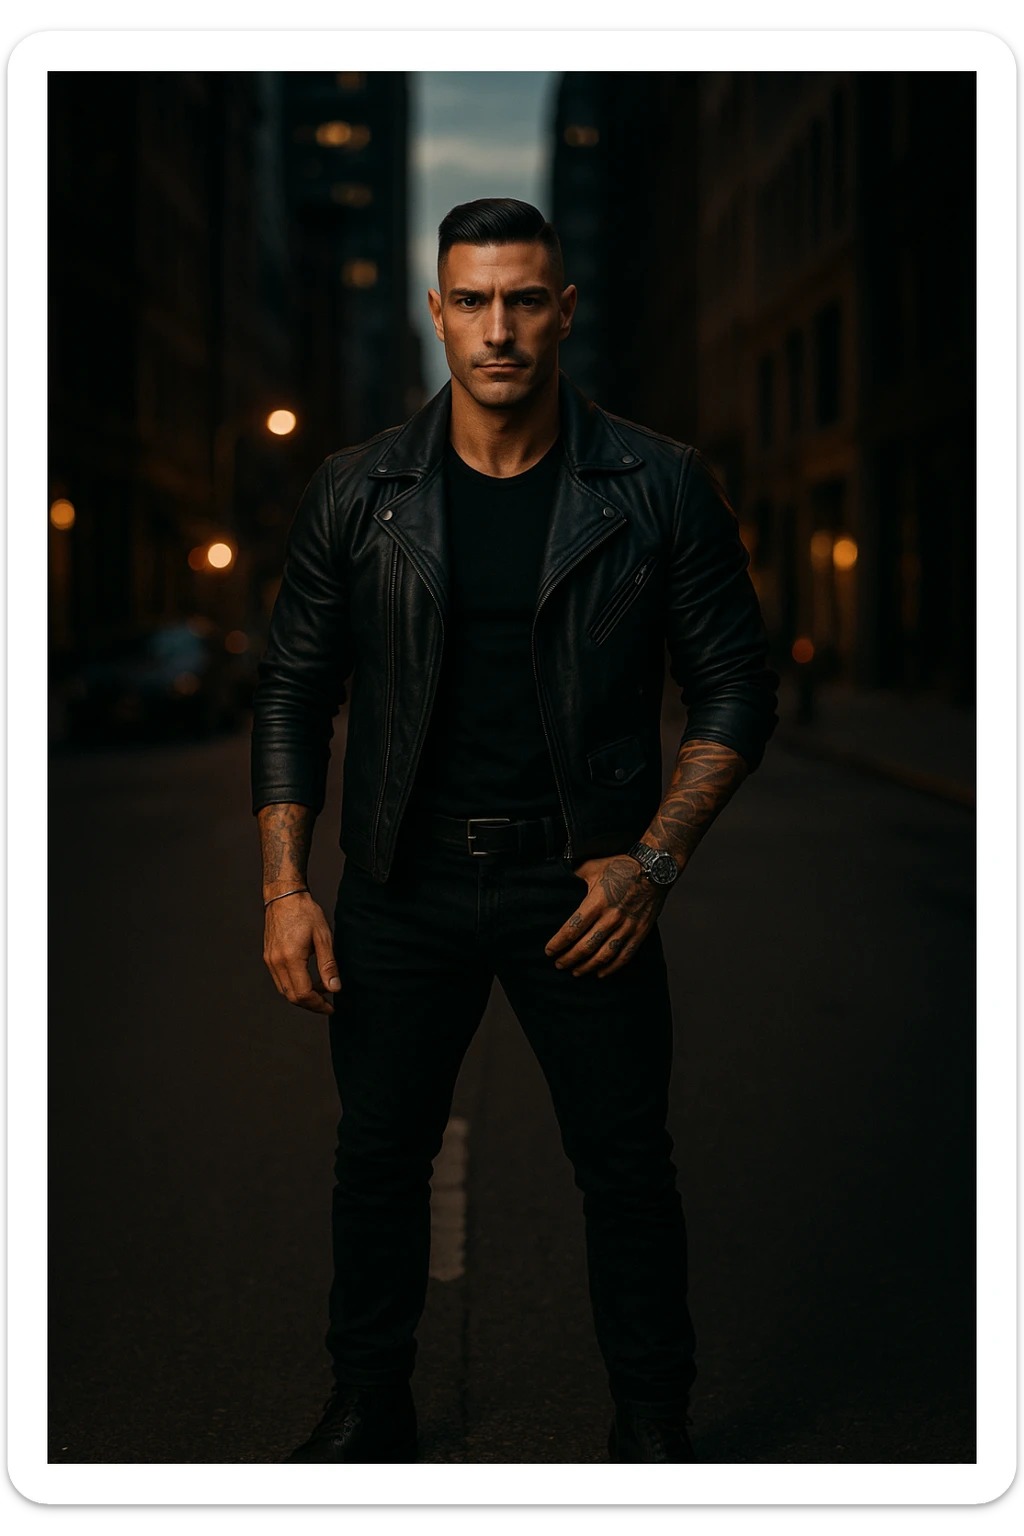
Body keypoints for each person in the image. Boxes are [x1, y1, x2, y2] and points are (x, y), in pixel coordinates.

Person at [251, 198, 779, 1465]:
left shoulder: (655, 485)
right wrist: (285, 886)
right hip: (400, 881)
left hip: (581, 883)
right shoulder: (356, 490)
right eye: (474, 300)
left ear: (563, 310)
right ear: (437, 311)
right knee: (377, 1164)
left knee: (627, 1171)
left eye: (525, 299)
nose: (500, 329)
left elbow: (734, 688)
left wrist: (652, 861)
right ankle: (367, 1403)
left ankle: (652, 1422)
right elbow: (293, 689)